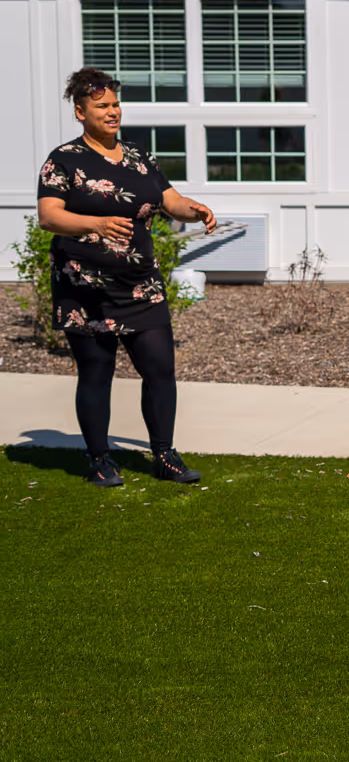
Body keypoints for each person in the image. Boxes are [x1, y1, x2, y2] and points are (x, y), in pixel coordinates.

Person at [36, 67, 217, 488]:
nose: (113, 111)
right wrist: (94, 225)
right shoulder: (63, 160)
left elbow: (170, 201)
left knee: (160, 371)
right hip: (85, 288)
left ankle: (165, 456)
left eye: (115, 104)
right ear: (80, 112)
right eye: (102, 106)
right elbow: (49, 216)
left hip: (141, 284)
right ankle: (99, 459)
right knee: (96, 373)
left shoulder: (139, 157)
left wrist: (197, 209)